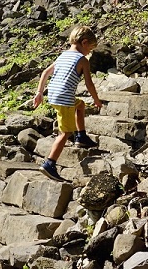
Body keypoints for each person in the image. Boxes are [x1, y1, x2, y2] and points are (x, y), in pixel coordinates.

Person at [33, 25, 103, 182]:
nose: (89, 52)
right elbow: (89, 84)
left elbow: (45, 73)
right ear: (84, 43)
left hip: (54, 95)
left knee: (80, 105)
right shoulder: (82, 60)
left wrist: (39, 92)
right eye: (90, 48)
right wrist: (97, 100)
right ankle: (50, 163)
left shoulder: (63, 55)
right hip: (64, 99)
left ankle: (82, 136)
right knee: (65, 133)